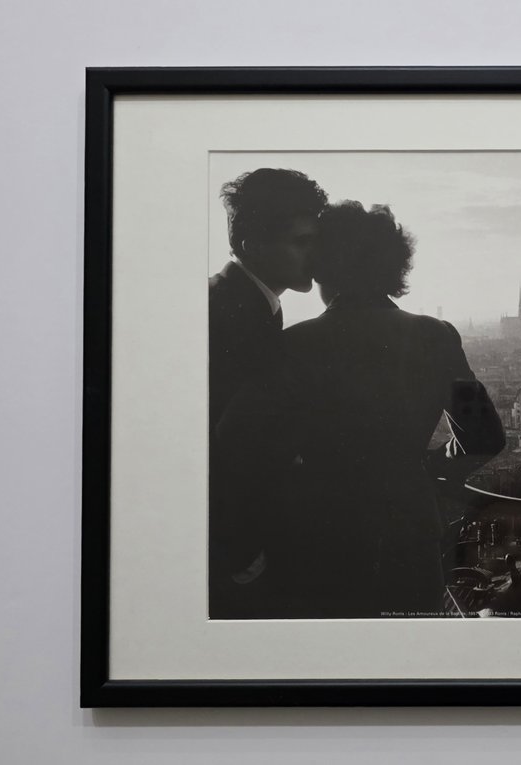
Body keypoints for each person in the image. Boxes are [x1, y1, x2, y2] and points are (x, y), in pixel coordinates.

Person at [217, 201, 505, 618]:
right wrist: (426, 464)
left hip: (320, 535)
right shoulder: (436, 336)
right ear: (392, 266)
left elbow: (235, 441)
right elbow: (484, 437)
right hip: (410, 530)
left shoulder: (294, 345)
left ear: (324, 268)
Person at [208, 168, 327, 617]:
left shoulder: (238, 302)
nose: (315, 255)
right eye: (301, 242)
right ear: (252, 245)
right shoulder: (235, 315)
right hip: (235, 554)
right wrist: (239, 550)